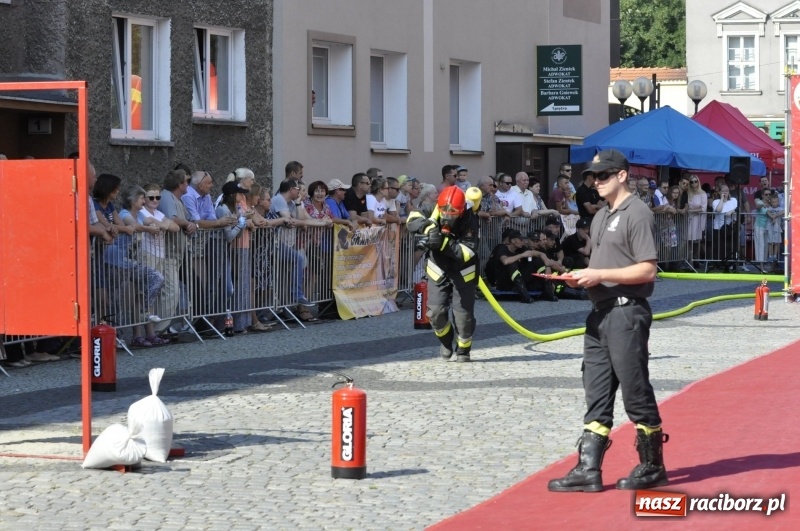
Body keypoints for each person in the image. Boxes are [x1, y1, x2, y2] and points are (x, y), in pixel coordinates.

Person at [548, 149, 667, 493]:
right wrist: (579, 277)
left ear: (622, 175)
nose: (596, 181)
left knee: (634, 388)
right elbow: (600, 265)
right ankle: (589, 468)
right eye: (594, 176)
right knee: (596, 390)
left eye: (603, 175)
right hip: (599, 311)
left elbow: (648, 269)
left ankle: (652, 464)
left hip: (627, 311)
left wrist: (599, 273)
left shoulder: (637, 212)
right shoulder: (601, 216)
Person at [407, 185, 480, 362]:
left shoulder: (470, 220)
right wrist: (427, 228)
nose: (447, 216)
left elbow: (465, 253)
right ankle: (446, 342)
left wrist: (442, 243)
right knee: (436, 313)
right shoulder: (434, 208)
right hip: (438, 268)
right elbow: (412, 218)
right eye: (444, 211)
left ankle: (463, 349)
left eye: (453, 213)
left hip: (463, 271)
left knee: (463, 316)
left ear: (461, 210)